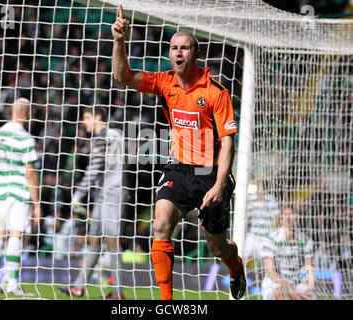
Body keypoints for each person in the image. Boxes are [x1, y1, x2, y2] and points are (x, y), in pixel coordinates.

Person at [111, 5, 246, 300]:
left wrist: (221, 184)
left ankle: (235, 269)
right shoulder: (164, 81)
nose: (178, 52)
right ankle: (166, 301)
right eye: (173, 48)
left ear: (195, 54)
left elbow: (228, 143)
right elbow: (123, 76)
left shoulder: (215, 93)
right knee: (160, 225)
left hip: (211, 173)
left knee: (216, 246)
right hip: (179, 169)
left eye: (184, 47)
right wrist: (120, 41)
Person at [59, 106, 125, 299]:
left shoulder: (103, 136)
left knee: (111, 241)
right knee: (94, 237)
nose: (84, 122)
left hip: (112, 194)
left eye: (87, 117)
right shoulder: (116, 134)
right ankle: (78, 286)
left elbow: (94, 167)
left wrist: (78, 194)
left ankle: (118, 292)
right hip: (105, 193)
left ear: (98, 117)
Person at [0, 97, 40, 295]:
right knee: (16, 234)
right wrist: (37, 203)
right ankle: (12, 283)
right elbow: (30, 173)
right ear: (26, 114)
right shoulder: (25, 138)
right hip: (18, 193)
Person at [261, 206, 316, 300]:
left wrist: (309, 288)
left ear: (297, 218)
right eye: (285, 215)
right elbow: (271, 272)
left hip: (297, 282)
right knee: (281, 293)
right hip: (275, 282)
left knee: (311, 297)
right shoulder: (271, 239)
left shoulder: (306, 241)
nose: (288, 218)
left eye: (291, 215)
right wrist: (288, 286)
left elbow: (309, 269)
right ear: (281, 218)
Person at [244, 178, 280, 265]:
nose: (257, 188)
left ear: (265, 188)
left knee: (267, 261)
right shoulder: (251, 199)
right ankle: (239, 275)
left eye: (259, 186)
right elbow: (248, 218)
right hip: (253, 235)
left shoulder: (271, 200)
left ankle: (268, 277)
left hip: (266, 236)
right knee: (244, 256)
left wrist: (274, 231)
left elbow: (276, 218)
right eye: (257, 186)